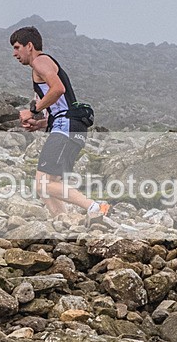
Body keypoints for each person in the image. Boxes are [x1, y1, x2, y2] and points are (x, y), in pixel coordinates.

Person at [10, 26, 109, 223]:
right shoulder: (40, 66)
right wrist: (40, 124)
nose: (14, 54)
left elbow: (58, 89)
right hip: (68, 126)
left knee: (43, 184)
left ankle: (95, 207)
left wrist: (33, 111)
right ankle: (65, 222)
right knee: (47, 184)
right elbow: (61, 106)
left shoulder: (40, 61)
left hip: (67, 127)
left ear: (29, 46)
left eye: (17, 47)